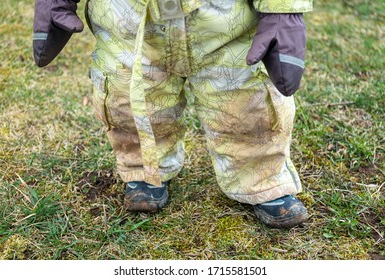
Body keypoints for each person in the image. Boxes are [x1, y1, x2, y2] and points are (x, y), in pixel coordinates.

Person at [33, 0, 313, 228]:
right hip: (129, 24)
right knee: (130, 104)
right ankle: (146, 169)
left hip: (225, 25)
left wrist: (283, 9)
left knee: (245, 107)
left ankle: (261, 177)